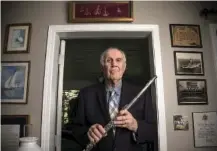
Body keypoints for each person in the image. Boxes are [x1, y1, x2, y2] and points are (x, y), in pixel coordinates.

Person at [70, 47, 157, 151]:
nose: (114, 64)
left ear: (124, 67)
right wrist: (88, 133)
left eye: (118, 60)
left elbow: (152, 130)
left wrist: (135, 125)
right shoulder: (86, 94)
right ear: (102, 67)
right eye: (108, 60)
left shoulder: (141, 93)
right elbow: (75, 128)